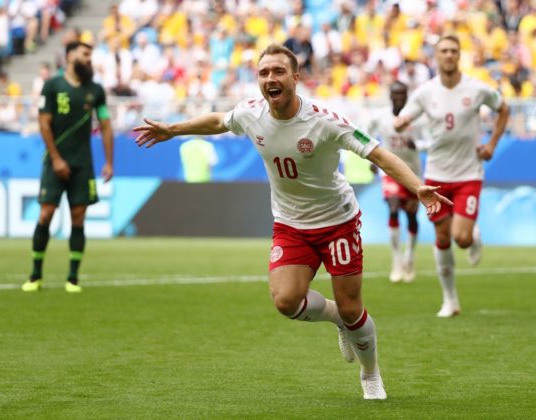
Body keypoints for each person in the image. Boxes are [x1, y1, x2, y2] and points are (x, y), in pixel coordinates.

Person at [134, 44, 451, 400]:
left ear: (296, 78)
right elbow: (219, 121)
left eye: (278, 71)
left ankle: (370, 373)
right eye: (264, 72)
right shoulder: (251, 113)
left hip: (338, 221)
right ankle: (336, 320)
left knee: (352, 307)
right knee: (286, 301)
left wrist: (417, 187)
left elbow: (378, 153)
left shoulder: (324, 120)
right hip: (291, 225)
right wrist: (173, 129)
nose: (270, 78)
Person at [394, 35, 509, 317]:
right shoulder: (425, 92)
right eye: (443, 50)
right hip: (436, 175)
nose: (448, 55)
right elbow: (404, 117)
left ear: (459, 55)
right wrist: (400, 123)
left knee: (461, 238)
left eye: (453, 50)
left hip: (469, 172)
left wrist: (492, 144)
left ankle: (472, 235)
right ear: (436, 56)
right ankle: (450, 300)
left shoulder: (477, 89)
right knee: (442, 236)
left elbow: (503, 108)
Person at [22, 41, 114, 293]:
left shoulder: (96, 90)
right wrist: (56, 159)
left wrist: (109, 162)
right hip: (54, 161)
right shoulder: (52, 86)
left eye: (91, 55)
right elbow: (44, 123)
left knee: (78, 217)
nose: (89, 59)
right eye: (85, 54)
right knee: (46, 214)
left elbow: (105, 125)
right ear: (70, 56)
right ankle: (35, 275)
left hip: (82, 163)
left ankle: (73, 278)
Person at [368, 81, 422, 283]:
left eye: (402, 94)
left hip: (413, 173)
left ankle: (410, 258)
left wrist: (418, 145)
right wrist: (372, 158)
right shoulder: (380, 116)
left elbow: (431, 140)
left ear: (407, 96)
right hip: (390, 170)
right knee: (393, 208)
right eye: (395, 94)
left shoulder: (416, 118)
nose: (399, 98)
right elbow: (366, 133)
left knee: (411, 216)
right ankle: (397, 261)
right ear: (390, 96)